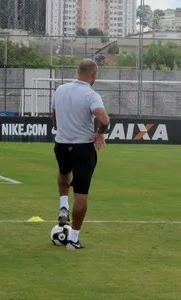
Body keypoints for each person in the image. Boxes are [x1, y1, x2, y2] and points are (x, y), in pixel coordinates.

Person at [51, 58, 110, 249]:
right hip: (83, 147)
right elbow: (105, 119)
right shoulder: (90, 94)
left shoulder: (60, 90)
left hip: (61, 144)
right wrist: (100, 133)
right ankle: (73, 239)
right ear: (93, 74)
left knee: (64, 171)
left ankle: (63, 205)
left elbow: (53, 115)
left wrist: (59, 129)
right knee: (81, 195)